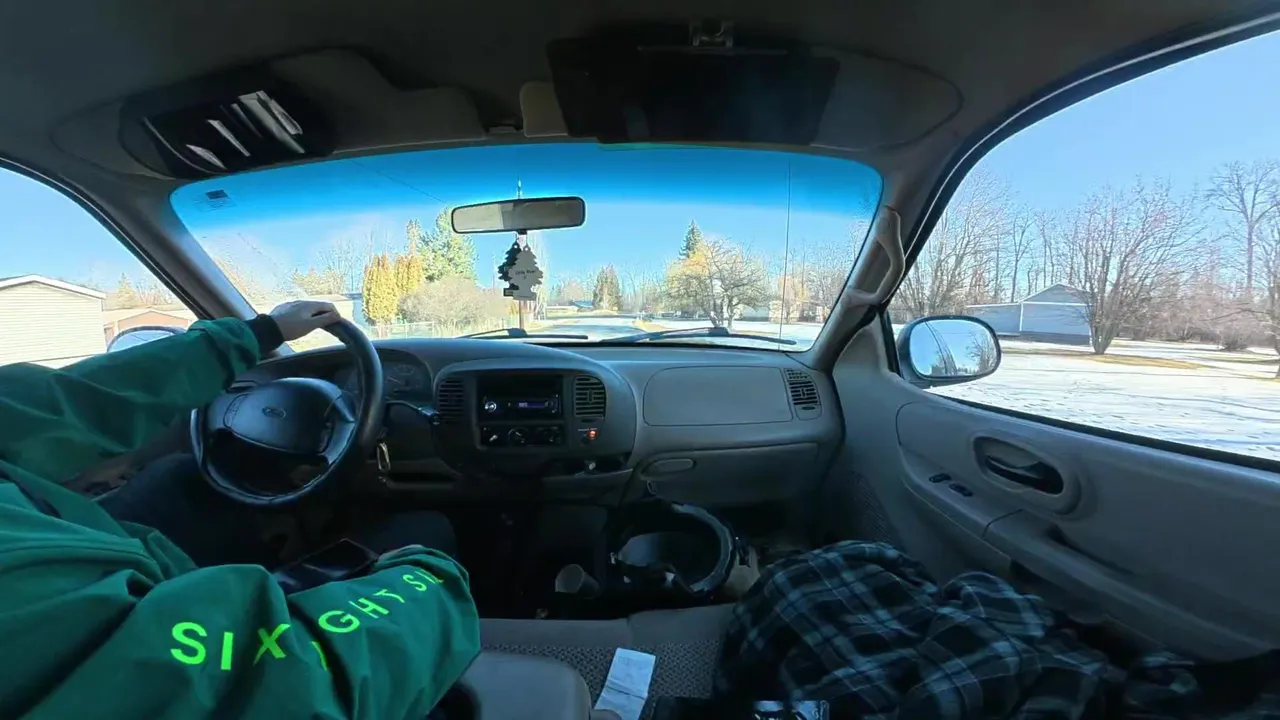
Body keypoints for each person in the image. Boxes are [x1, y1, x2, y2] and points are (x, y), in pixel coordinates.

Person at [0, 302, 480, 719]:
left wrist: (261, 332)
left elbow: (69, 401)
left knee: (181, 477)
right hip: (117, 595)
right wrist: (429, 581)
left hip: (78, 541)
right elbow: (275, 682)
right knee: (426, 529)